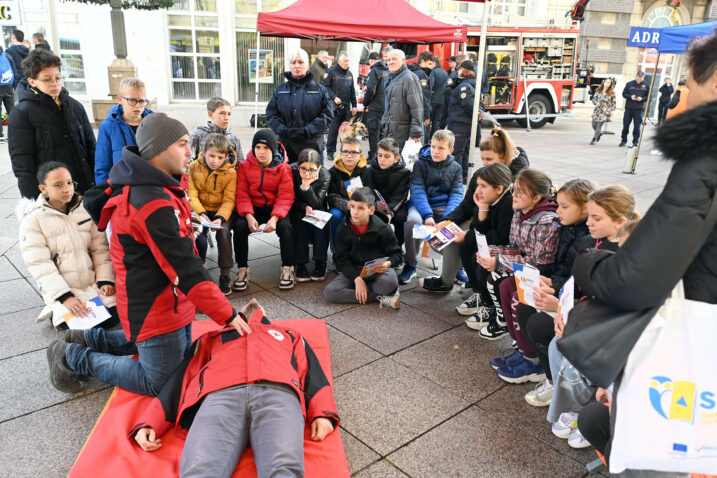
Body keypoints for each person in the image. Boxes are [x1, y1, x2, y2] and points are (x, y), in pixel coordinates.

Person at [46, 112, 249, 396]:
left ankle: (87, 336)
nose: (190, 151)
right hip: (154, 308)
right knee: (162, 382)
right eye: (182, 144)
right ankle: (71, 357)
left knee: (177, 355)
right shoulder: (150, 200)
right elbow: (186, 268)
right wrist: (227, 314)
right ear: (158, 150)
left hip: (167, 302)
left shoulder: (157, 184)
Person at [574, 33, 717, 314]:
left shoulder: (704, 165)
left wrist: (587, 262)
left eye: (689, 84)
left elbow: (632, 281)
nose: (683, 96)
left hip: (696, 332)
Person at [132, 299, 339, 478]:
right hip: (219, 396)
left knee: (283, 470)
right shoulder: (211, 338)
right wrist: (152, 420)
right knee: (200, 469)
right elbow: (182, 377)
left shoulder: (289, 334)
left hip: (278, 394)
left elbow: (311, 371)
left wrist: (322, 412)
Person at [493, 179, 593, 387]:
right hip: (559, 284)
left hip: (572, 296)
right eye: (558, 204)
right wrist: (550, 281)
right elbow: (562, 267)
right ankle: (525, 352)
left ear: (585, 208)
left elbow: (579, 277)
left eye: (565, 206)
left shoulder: (583, 234)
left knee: (528, 308)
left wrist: (554, 286)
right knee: (508, 287)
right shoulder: (569, 227)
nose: (559, 211)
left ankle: (543, 370)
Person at [17, 161, 118, 329]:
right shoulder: (33, 221)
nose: (66, 189)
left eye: (69, 183)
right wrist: (65, 297)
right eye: (58, 185)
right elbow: (40, 265)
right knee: (83, 325)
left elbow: (100, 248)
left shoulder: (85, 208)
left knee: (114, 318)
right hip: (65, 288)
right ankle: (55, 308)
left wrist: (105, 280)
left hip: (93, 284)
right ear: (43, 189)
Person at [474, 169, 561, 340]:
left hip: (541, 270)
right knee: (483, 266)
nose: (513, 195)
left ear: (536, 198)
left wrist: (499, 262)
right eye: (515, 189)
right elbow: (515, 247)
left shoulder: (548, 222)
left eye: (520, 193)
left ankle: (504, 322)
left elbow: (539, 262)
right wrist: (493, 252)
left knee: (497, 278)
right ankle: (501, 316)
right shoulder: (519, 211)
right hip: (524, 263)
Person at [9, 48, 96, 199]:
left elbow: (91, 148)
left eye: (58, 78)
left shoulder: (75, 106)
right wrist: (33, 200)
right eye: (46, 79)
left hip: (83, 188)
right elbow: (22, 162)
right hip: (51, 194)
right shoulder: (22, 113)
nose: (54, 84)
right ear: (32, 81)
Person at [419, 163, 513, 295]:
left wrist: (467, 235)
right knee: (435, 239)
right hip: (483, 238)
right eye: (478, 185)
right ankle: (472, 284)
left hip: (500, 251)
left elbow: (498, 238)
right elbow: (468, 210)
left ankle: (455, 284)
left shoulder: (507, 204)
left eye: (483, 186)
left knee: (460, 246)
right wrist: (448, 220)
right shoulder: (487, 188)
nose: (478, 190)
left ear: (498, 189)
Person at [233, 129, 296, 291]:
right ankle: (242, 269)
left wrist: (274, 218)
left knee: (286, 227)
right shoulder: (244, 166)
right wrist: (248, 216)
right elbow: (241, 194)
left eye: (266, 148)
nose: (261, 152)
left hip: (275, 207)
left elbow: (285, 196)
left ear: (273, 149)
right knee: (239, 226)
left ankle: (288, 267)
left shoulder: (283, 168)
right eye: (258, 147)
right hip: (253, 207)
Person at [398, 130, 463, 284]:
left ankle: (456, 267)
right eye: (433, 147)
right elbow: (417, 190)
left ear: (450, 150)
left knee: (454, 226)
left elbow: (456, 194)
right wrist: (427, 214)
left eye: (441, 148)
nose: (435, 151)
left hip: (443, 206)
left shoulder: (456, 168)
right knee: (413, 222)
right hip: (421, 205)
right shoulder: (420, 164)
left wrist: (448, 218)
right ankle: (411, 264)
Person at [324, 187, 402, 308]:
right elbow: (342, 259)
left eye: (360, 208)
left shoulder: (382, 228)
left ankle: (369, 291)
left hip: (376, 271)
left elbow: (397, 255)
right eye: (353, 206)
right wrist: (357, 278)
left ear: (371, 210)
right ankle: (381, 297)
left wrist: (387, 264)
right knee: (330, 293)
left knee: (390, 282)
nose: (355, 212)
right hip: (354, 270)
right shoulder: (343, 228)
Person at [188, 133, 237, 294]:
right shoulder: (194, 166)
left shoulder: (231, 173)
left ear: (225, 157)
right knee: (198, 237)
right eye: (211, 156)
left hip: (220, 211)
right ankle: (198, 273)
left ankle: (225, 273)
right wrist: (201, 213)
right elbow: (192, 194)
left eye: (220, 157)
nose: (215, 161)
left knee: (223, 234)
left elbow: (229, 200)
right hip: (200, 208)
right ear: (204, 153)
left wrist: (220, 218)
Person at [266, 48, 332, 164]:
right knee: (287, 180)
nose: (297, 66)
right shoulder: (280, 90)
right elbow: (271, 114)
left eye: (300, 62)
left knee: (313, 180)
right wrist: (283, 130)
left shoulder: (319, 90)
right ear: (289, 66)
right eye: (293, 62)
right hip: (287, 147)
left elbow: (327, 115)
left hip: (312, 146)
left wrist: (308, 130)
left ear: (307, 65)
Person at [94, 77, 153, 184]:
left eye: (142, 101)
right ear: (120, 99)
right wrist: (105, 196)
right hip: (121, 191)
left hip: (151, 188)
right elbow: (102, 168)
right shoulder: (108, 127)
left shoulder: (154, 123)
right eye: (132, 100)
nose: (138, 105)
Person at [291, 148, 330, 282]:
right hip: (298, 207)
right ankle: (300, 262)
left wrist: (306, 186)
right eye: (303, 168)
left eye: (312, 169)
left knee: (320, 224)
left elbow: (318, 202)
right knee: (300, 223)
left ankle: (320, 261)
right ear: (298, 166)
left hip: (317, 207)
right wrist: (304, 206)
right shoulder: (291, 171)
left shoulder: (325, 175)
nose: (307, 173)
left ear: (319, 168)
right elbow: (290, 198)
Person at [326, 137, 372, 248]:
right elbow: (331, 196)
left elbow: (369, 193)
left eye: (354, 152)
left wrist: (358, 206)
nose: (349, 156)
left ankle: (359, 251)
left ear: (360, 156)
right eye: (345, 151)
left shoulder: (365, 172)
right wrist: (347, 205)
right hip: (340, 206)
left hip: (360, 206)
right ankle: (337, 251)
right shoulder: (333, 171)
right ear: (340, 153)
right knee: (335, 215)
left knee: (366, 217)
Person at [368, 137, 411, 249]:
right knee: (370, 214)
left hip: (395, 206)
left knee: (401, 218)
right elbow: (368, 190)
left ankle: (396, 248)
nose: (382, 159)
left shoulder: (404, 173)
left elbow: (401, 196)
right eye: (380, 155)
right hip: (376, 204)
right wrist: (376, 203)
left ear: (396, 159)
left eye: (387, 156)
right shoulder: (371, 170)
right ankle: (372, 248)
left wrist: (390, 211)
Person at [382, 49, 423, 151]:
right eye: (388, 60)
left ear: (403, 60)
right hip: (391, 131)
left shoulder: (409, 78)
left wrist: (415, 132)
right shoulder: (390, 78)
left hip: (403, 134)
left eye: (394, 59)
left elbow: (416, 108)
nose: (390, 62)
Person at [322, 51, 357, 161]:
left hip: (346, 108)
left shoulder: (350, 74)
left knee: (346, 132)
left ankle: (345, 151)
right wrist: (334, 97)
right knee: (333, 130)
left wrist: (355, 105)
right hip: (334, 107)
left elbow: (352, 91)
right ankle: (330, 152)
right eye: (345, 61)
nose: (347, 63)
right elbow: (325, 87)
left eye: (348, 61)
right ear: (339, 61)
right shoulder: (331, 72)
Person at [446, 60, 477, 182]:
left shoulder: (465, 86)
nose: (457, 71)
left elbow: (467, 105)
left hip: (460, 123)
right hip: (462, 122)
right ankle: (463, 174)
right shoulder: (465, 84)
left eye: (459, 69)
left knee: (457, 151)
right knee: (463, 151)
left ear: (463, 70)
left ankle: (457, 177)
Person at [189, 96, 244, 164]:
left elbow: (240, 164)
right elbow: (188, 161)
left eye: (229, 114)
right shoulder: (197, 136)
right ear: (211, 114)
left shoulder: (234, 139)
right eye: (222, 113)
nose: (226, 118)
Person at [363, 51, 390, 162]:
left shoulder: (374, 71)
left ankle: (373, 156)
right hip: (385, 105)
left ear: (371, 60)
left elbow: (371, 89)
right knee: (382, 132)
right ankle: (381, 155)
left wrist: (365, 102)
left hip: (375, 106)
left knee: (373, 132)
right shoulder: (387, 70)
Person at [619, 70, 649, 147]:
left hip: (639, 109)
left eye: (641, 78)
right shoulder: (629, 84)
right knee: (625, 125)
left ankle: (635, 142)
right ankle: (623, 140)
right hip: (629, 108)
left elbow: (648, 97)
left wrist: (641, 98)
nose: (639, 79)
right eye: (638, 78)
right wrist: (630, 97)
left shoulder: (646, 86)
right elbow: (624, 94)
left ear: (643, 77)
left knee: (637, 126)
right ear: (636, 76)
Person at [408, 51, 433, 140]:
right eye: (429, 63)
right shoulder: (422, 74)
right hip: (420, 112)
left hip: (411, 109)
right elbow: (424, 96)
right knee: (420, 139)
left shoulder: (410, 71)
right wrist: (427, 115)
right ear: (422, 61)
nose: (430, 66)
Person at [590, 78, 616, 145]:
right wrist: (596, 103)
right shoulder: (598, 91)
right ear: (603, 82)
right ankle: (599, 133)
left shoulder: (612, 93)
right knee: (593, 124)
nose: (607, 83)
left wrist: (612, 112)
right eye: (606, 82)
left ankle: (594, 139)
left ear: (610, 84)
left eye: (609, 82)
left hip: (605, 111)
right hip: (597, 110)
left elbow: (614, 103)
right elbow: (593, 100)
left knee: (599, 126)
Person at [0, 46, 16, 143]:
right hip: (8, 85)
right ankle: (15, 132)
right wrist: (13, 85)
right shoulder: (7, 55)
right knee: (12, 110)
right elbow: (14, 70)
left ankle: (0, 134)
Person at [429, 55, 448, 137]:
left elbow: (431, 85)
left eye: (430, 63)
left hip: (433, 99)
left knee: (429, 119)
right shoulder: (445, 72)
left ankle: (428, 137)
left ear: (434, 62)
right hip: (442, 99)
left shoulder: (433, 72)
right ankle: (434, 136)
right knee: (437, 120)